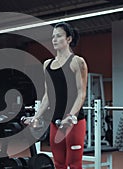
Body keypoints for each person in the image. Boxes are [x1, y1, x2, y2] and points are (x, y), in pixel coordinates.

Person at [23, 22, 88, 169]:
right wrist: (36, 117)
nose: (54, 39)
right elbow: (47, 95)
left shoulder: (77, 62)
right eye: (53, 37)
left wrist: (71, 116)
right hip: (55, 120)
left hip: (74, 122)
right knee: (59, 163)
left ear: (69, 39)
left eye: (59, 36)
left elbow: (81, 93)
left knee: (74, 164)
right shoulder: (47, 64)